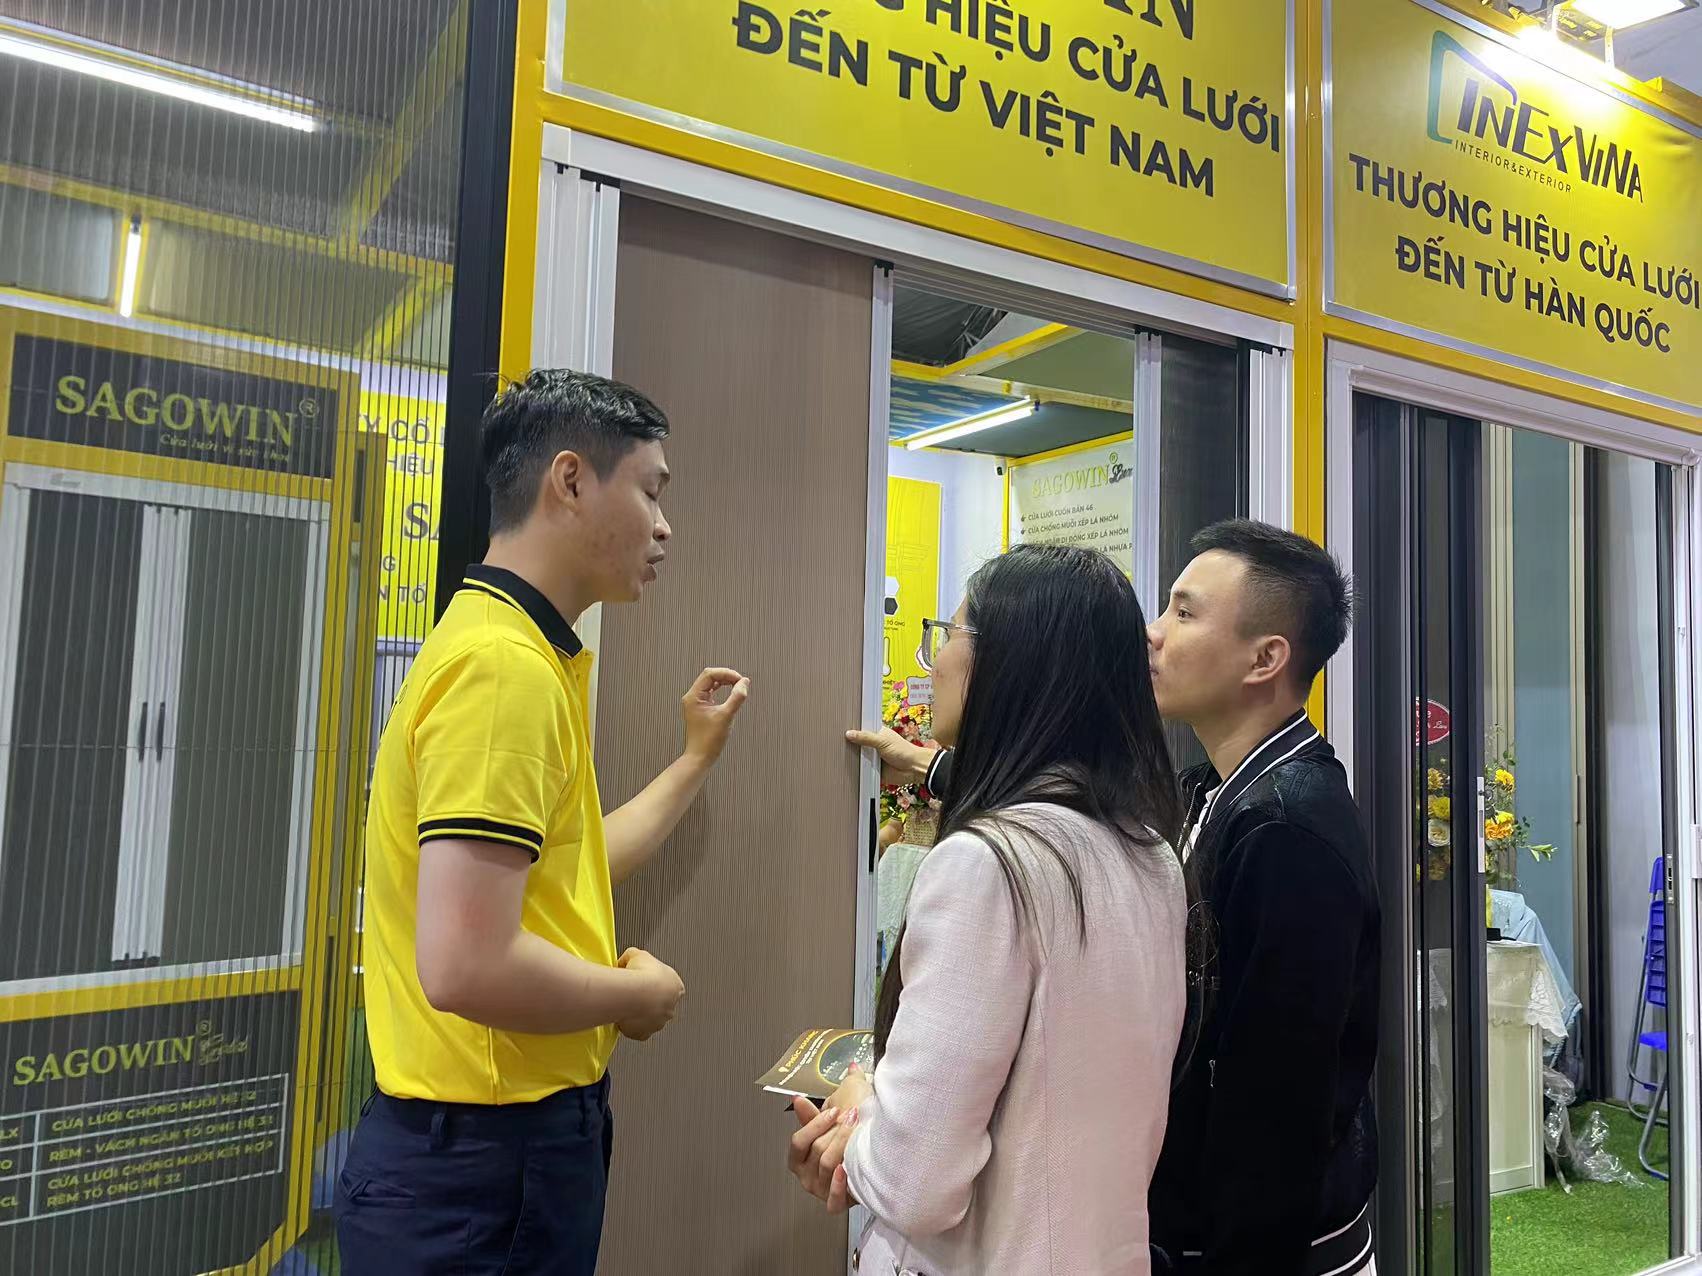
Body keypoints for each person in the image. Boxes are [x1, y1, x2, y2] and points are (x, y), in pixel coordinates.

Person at [853, 521, 1379, 1276]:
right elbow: (1061, 818)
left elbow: (1277, 1107)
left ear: (1266, 659)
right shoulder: (1204, 796)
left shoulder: (1288, 830)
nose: (1153, 635)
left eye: (1185, 613)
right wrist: (932, 768)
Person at [337, 370, 750, 1275]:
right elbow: (466, 963)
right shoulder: (504, 671)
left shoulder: (510, 647)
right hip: (484, 1168)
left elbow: (573, 866)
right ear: (569, 481)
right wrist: (634, 998)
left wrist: (692, 761)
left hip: (481, 1158)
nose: (665, 526)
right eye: (650, 491)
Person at [793, 543, 1188, 1274]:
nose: (937, 659)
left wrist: (858, 1107)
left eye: (947, 634)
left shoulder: (988, 865)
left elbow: (916, 1184)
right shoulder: (1149, 855)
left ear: (1004, 667)